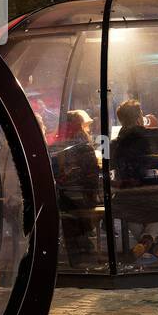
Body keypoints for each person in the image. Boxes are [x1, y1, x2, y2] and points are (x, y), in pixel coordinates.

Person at [110, 98, 158, 257]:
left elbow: (111, 168)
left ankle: (146, 243)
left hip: (128, 193)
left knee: (131, 212)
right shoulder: (151, 135)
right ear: (139, 117)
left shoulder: (114, 143)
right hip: (157, 190)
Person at [51, 110, 103, 268]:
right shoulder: (82, 144)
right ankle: (84, 250)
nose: (88, 128)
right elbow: (91, 174)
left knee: (72, 219)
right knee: (78, 216)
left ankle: (80, 251)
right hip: (81, 197)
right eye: (85, 125)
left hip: (65, 195)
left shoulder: (58, 143)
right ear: (80, 126)